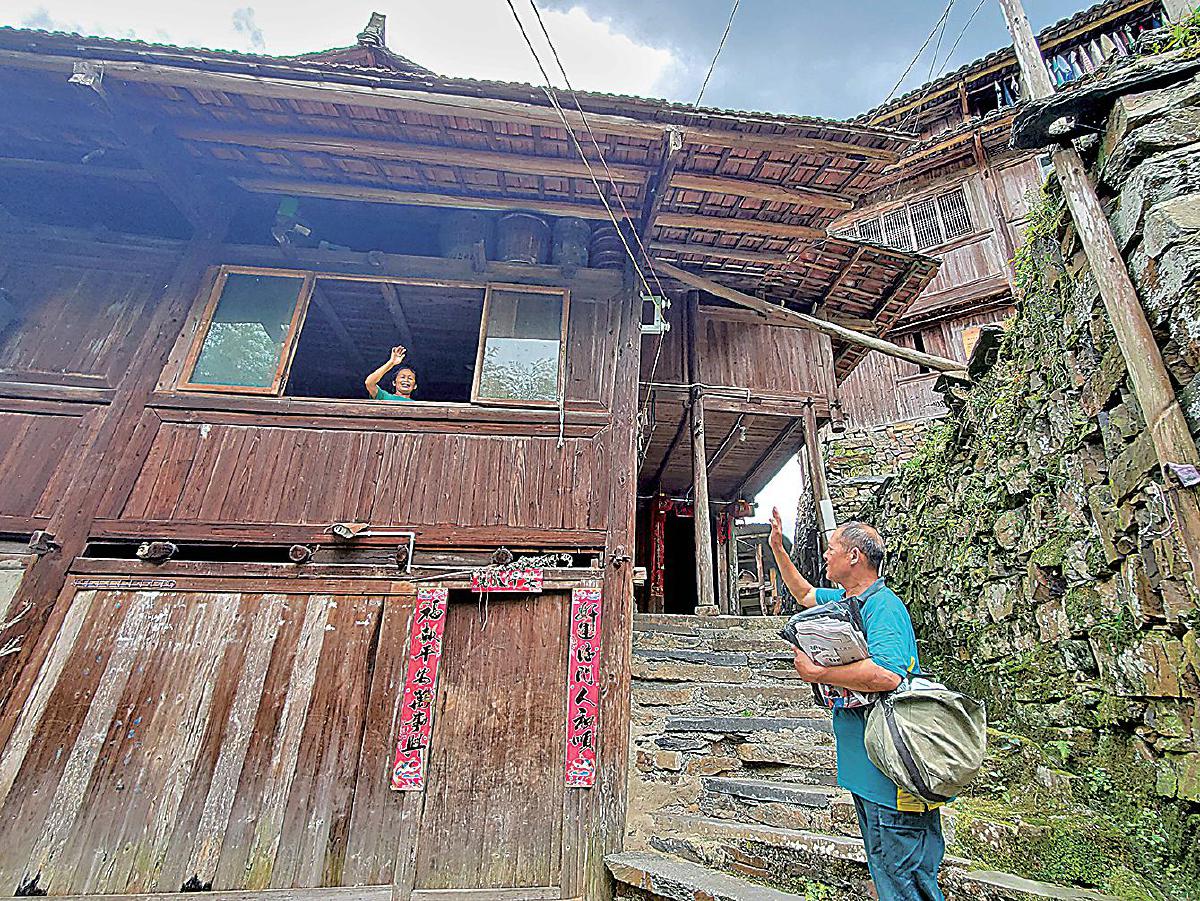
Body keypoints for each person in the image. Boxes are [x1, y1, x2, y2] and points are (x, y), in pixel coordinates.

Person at [767, 508, 945, 901]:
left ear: (854, 557)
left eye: (831, 548)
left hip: (893, 772)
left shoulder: (883, 607)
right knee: (886, 869)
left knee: (904, 876)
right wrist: (778, 549)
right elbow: (805, 595)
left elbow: (887, 674)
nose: (825, 555)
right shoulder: (848, 600)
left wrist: (820, 673)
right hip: (866, 768)